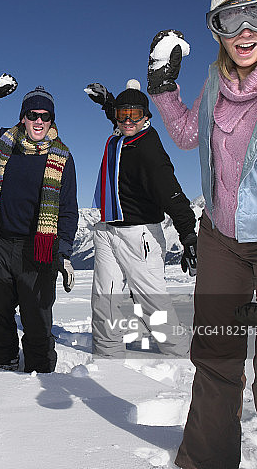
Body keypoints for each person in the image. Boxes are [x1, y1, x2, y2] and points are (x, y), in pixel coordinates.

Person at [148, 0, 257, 469]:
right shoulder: (215, 85)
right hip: (222, 243)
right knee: (215, 361)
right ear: (216, 29)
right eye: (230, 18)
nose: (245, 30)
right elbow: (183, 134)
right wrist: (163, 88)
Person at [0, 77, 79, 373]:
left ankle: (41, 371)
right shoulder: (8, 142)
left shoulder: (62, 158)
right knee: (0, 315)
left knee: (36, 317)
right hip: (4, 244)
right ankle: (2, 365)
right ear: (23, 117)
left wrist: (65, 253)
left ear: (51, 120)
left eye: (45, 116)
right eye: (33, 115)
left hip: (40, 249)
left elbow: (68, 210)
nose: (39, 121)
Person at [85, 79, 197, 357]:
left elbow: (172, 193)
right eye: (122, 114)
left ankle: (181, 356)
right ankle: (106, 355)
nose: (127, 120)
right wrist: (107, 101)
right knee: (104, 298)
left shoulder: (147, 147)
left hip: (139, 235)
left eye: (134, 115)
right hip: (106, 229)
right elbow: (119, 114)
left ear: (147, 117)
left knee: (152, 304)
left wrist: (188, 235)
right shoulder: (120, 135)